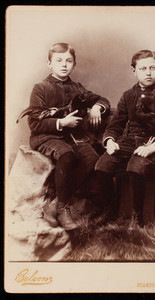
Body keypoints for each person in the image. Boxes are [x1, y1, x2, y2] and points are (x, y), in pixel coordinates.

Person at [95, 49, 155, 227]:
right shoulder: (128, 95)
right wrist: (110, 141)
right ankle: (110, 212)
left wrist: (152, 147)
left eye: (153, 67)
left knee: (135, 167)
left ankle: (137, 217)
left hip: (152, 143)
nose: (148, 72)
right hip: (127, 142)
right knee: (101, 166)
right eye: (143, 68)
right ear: (133, 70)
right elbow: (115, 125)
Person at [27, 43, 110, 230]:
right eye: (58, 61)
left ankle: (55, 203)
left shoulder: (77, 88)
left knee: (92, 159)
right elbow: (34, 123)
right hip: (45, 136)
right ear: (49, 63)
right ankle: (63, 209)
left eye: (68, 61)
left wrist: (97, 107)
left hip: (73, 136)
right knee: (67, 154)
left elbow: (102, 99)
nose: (64, 65)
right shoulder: (40, 88)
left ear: (74, 64)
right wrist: (61, 123)